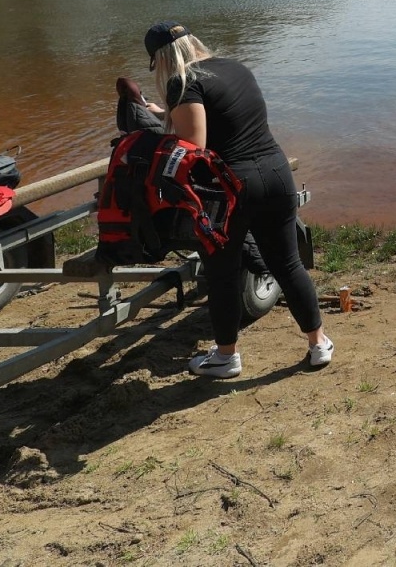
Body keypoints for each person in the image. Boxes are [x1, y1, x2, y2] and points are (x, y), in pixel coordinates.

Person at [140, 22, 332, 378]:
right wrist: (163, 113)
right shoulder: (236, 68)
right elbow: (227, 118)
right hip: (276, 173)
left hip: (230, 189)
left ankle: (226, 357)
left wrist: (160, 135)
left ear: (163, 58)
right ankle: (318, 343)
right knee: (288, 264)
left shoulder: (182, 83)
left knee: (223, 273)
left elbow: (193, 147)